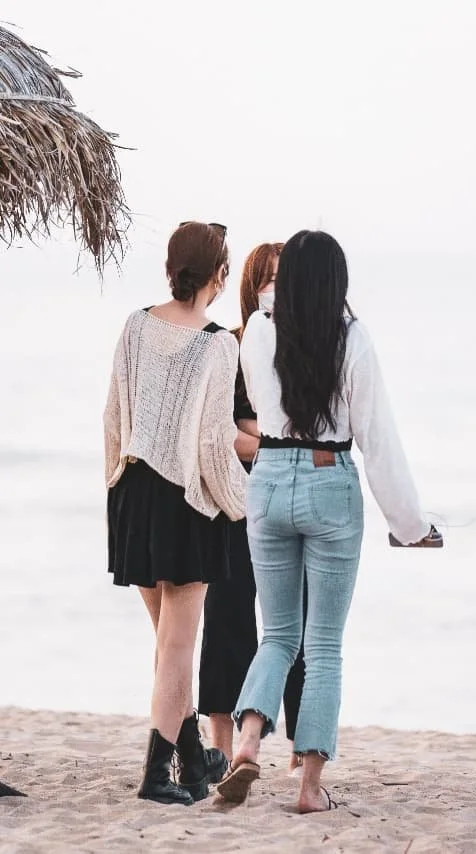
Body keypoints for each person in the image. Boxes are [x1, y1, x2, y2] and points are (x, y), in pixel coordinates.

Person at [217, 230, 442, 813]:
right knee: (323, 646)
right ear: (337, 282)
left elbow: (266, 390)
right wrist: (409, 523)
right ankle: (310, 789)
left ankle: (245, 744)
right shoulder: (354, 338)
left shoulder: (260, 331)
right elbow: (377, 437)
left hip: (267, 480)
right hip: (329, 481)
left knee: (278, 636)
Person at [104, 221, 246, 806]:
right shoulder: (219, 343)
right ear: (220, 274)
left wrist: (116, 487)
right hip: (187, 502)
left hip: (133, 494)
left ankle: (193, 759)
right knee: (178, 649)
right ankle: (155, 777)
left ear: (170, 268)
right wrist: (241, 505)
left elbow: (113, 416)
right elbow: (214, 443)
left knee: (167, 645)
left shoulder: (136, 326)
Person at [198, 242, 306, 773]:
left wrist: (260, 434)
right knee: (227, 614)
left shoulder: (307, 347)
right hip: (234, 498)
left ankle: (301, 745)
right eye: (270, 277)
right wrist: (272, 440)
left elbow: (304, 425)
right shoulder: (231, 344)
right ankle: (221, 738)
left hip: (290, 496)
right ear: (251, 284)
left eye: (287, 277)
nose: (277, 288)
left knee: (296, 622)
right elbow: (221, 432)